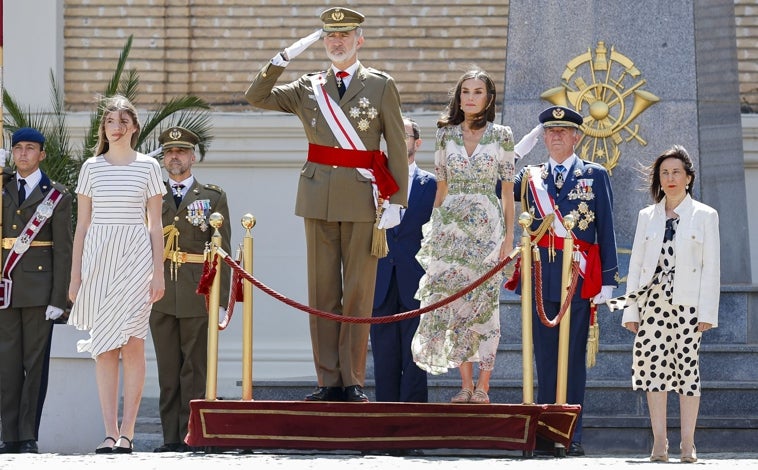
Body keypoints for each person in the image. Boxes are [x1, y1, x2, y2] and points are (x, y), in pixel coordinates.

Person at [245, 6, 408, 402]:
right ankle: (328, 381)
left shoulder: (380, 85)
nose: (337, 42)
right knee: (321, 292)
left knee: (356, 292)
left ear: (359, 40)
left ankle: (351, 379)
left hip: (361, 197)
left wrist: (397, 201)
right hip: (317, 197)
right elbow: (255, 97)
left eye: (344, 36)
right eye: (330, 36)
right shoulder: (308, 85)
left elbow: (397, 145)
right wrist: (283, 58)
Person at [511, 105, 619, 456]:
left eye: (563, 131)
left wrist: (608, 280)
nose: (555, 136)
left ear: (577, 136)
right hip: (541, 277)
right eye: (549, 131)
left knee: (571, 361)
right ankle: (543, 434)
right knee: (544, 358)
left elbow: (606, 226)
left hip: (577, 277)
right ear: (542, 137)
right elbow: (495, 181)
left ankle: (569, 436)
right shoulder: (530, 177)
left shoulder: (594, 174)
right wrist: (515, 152)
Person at [607, 145, 719, 463]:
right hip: (652, 306)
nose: (670, 178)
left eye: (676, 173)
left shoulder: (705, 215)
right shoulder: (648, 216)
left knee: (687, 372)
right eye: (664, 173)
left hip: (688, 307)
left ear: (688, 178)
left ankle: (687, 444)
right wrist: (631, 311)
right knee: (653, 372)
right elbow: (639, 265)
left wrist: (707, 313)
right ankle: (659, 443)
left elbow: (712, 268)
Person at [411, 68, 516, 405]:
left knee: (485, 304)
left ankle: (484, 385)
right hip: (452, 229)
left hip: (488, 226)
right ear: (459, 98)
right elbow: (440, 190)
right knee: (456, 305)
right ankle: (465, 385)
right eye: (465, 92)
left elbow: (508, 194)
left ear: (488, 98)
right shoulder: (445, 136)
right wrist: (433, 233)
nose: (470, 97)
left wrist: (508, 239)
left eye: (478, 92)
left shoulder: (502, 136)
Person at [68, 95, 166, 454]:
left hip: (137, 258)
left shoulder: (148, 167)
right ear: (104, 128)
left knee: (133, 343)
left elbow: (156, 225)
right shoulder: (91, 168)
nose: (117, 126)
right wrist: (75, 276)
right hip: (98, 259)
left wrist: (158, 272)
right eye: (110, 120)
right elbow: (82, 225)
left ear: (134, 127)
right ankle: (109, 433)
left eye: (124, 120)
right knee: (104, 349)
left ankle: (128, 432)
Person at [150, 127, 231, 452]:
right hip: (161, 294)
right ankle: (170, 438)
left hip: (199, 293)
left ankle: (193, 437)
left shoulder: (212, 196)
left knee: (195, 370)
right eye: (169, 151)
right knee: (168, 371)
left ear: (192, 157)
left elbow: (223, 249)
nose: (175, 157)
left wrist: (222, 299)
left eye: (181, 151)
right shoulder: (152, 194)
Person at [0, 128, 73, 454]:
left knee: (35, 367)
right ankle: (8, 435)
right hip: (5, 291)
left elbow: (64, 251)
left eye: (31, 148)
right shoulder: (2, 188)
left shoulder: (55, 195)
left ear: (42, 154)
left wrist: (60, 299)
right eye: (18, 149)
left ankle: (28, 436)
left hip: (40, 292)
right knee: (6, 366)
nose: (24, 154)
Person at [371, 117, 436, 403]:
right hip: (381, 278)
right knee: (384, 358)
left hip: (416, 280)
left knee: (415, 360)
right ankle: (384, 430)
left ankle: (412, 430)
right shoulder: (374, 180)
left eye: (405, 135)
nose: (399, 140)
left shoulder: (432, 185)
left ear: (417, 143)